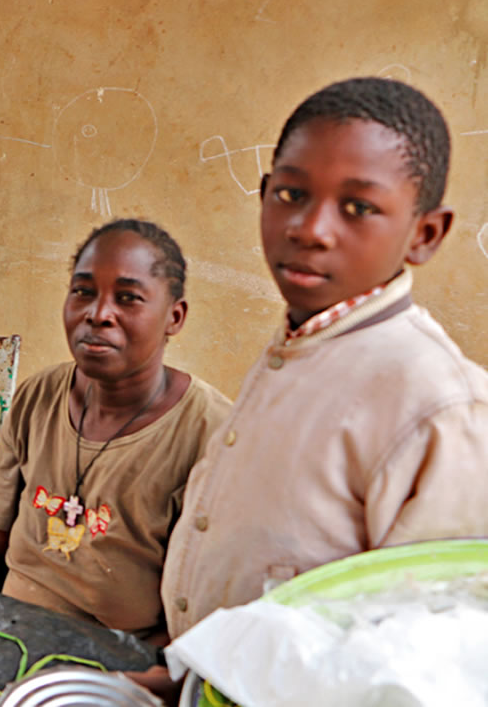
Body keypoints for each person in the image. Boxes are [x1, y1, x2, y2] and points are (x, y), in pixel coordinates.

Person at [162, 77, 488, 640]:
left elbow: (426, 654)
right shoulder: (300, 344)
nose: (310, 229)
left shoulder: (439, 406)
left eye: (358, 207)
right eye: (291, 194)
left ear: (425, 234)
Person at [0, 219, 231, 641]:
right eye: (83, 292)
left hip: (120, 658)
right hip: (8, 630)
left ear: (174, 317)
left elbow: (199, 616)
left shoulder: (210, 434)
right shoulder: (38, 396)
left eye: (129, 298)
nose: (99, 315)